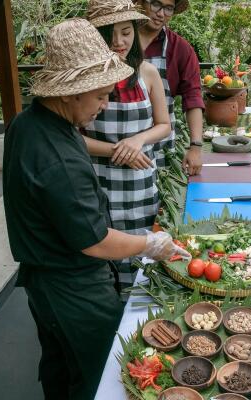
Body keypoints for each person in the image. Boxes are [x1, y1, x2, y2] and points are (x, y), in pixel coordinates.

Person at [2, 19, 190, 400]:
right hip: (71, 284)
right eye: (101, 95)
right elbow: (97, 243)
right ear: (73, 93)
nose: (105, 104)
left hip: (43, 278)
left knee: (58, 360)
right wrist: (150, 244)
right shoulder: (60, 162)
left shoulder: (29, 123)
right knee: (100, 371)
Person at [83, 0, 171, 290]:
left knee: (143, 250)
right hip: (97, 180)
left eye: (125, 32)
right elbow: (72, 140)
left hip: (140, 183)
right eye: (109, 34)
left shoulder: (147, 72)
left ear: (134, 31)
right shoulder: (82, 80)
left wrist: (137, 140)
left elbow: (164, 126)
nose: (118, 42)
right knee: (102, 248)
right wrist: (117, 151)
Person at [136, 0, 205, 175]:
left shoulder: (180, 49)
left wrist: (195, 146)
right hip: (117, 145)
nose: (161, 14)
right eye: (156, 4)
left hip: (161, 149)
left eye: (168, 8)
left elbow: (193, 98)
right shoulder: (119, 40)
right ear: (140, 2)